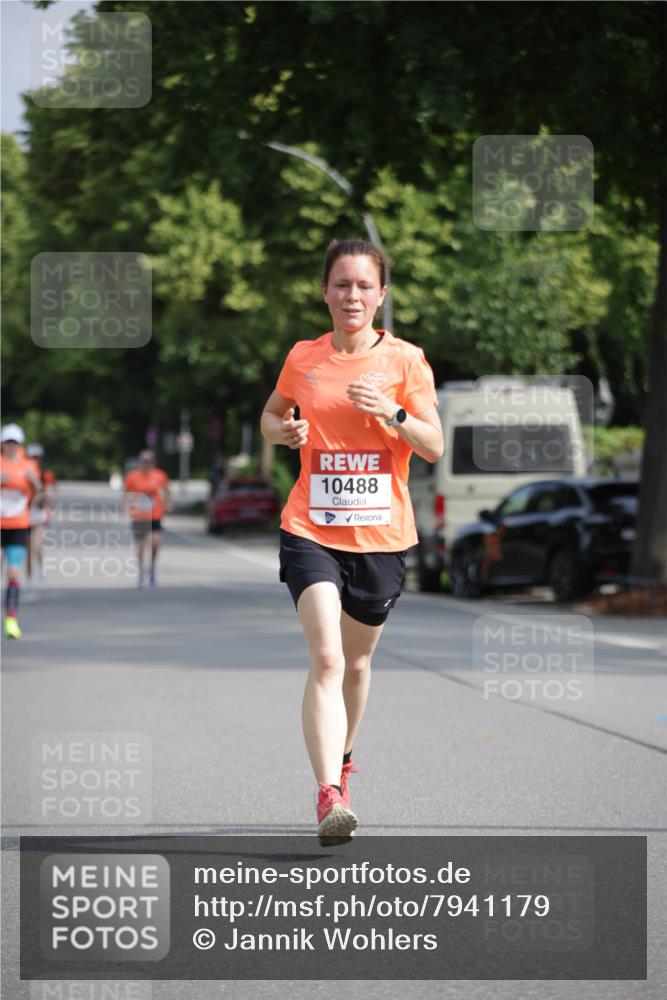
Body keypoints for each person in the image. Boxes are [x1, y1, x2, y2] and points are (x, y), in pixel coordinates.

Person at [260, 239, 443, 843]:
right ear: (325, 292)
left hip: (381, 535)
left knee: (358, 664)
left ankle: (342, 757)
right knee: (328, 658)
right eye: (342, 284)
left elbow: (434, 445)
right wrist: (283, 433)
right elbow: (270, 415)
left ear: (381, 295)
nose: (353, 296)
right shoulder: (303, 357)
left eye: (365, 286)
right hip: (310, 527)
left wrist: (392, 413)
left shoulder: (407, 362)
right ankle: (328, 794)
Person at [1, 424, 42, 638]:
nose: (11, 446)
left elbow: (37, 495)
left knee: (13, 572)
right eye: (7, 442)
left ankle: (11, 619)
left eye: (14, 442)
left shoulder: (29, 466)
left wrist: (35, 484)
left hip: (18, 524)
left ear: (20, 444)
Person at [123, 450, 172, 588]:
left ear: (153, 463)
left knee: (155, 543)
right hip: (139, 515)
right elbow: (125, 493)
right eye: (144, 461)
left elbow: (167, 491)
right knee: (140, 546)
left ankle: (152, 568)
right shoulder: (132, 476)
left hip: (155, 514)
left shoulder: (159, 475)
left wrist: (168, 504)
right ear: (140, 462)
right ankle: (141, 572)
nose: (147, 464)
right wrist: (125, 508)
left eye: (150, 461)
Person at [25, 443, 57, 583]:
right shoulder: (22, 472)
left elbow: (51, 493)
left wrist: (41, 493)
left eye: (37, 457)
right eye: (32, 457)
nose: (34, 460)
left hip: (39, 512)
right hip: (24, 513)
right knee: (27, 549)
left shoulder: (46, 475)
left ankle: (41, 571)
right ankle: (29, 578)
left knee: (36, 546)